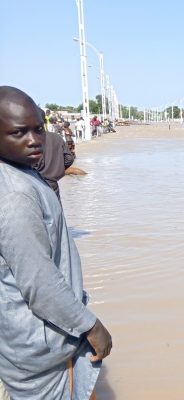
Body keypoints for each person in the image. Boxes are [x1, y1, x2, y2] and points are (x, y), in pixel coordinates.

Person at [0, 86, 112, 399]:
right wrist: (90, 325)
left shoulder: (22, 173)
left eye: (38, 129)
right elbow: (40, 283)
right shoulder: (15, 196)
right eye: (19, 132)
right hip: (43, 344)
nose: (34, 140)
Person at [34, 122, 75, 198]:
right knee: (56, 208)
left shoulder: (30, 139)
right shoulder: (56, 137)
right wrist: (57, 168)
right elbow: (69, 159)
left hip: (35, 182)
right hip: (53, 182)